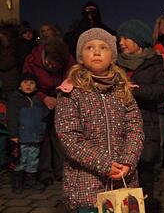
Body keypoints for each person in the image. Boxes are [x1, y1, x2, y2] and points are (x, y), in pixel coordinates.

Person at [55, 28, 145, 212]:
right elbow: (69, 137)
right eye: (89, 47)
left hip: (123, 181)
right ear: (80, 55)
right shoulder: (71, 92)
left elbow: (135, 129)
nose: (96, 52)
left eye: (103, 47)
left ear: (112, 55)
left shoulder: (123, 90)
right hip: (86, 184)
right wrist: (104, 164)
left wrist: (127, 161)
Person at [116, 19, 164, 211]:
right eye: (120, 38)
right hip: (120, 125)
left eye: (126, 38)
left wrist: (137, 90)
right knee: (122, 173)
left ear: (138, 40)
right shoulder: (116, 63)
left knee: (145, 173)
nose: (121, 42)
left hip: (146, 123)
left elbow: (163, 91)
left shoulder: (153, 63)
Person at [23, 38, 75, 185]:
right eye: (50, 63)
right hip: (39, 99)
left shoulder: (68, 60)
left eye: (56, 65)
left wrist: (61, 96)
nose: (52, 67)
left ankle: (62, 172)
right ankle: (45, 173)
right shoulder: (32, 60)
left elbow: (71, 79)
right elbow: (27, 84)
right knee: (43, 138)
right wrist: (44, 97)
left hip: (61, 98)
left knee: (60, 136)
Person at [7, 72, 47, 193]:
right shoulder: (15, 99)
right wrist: (14, 135)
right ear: (20, 85)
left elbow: (43, 116)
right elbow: (12, 118)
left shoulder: (37, 100)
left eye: (31, 83)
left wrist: (42, 129)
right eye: (25, 83)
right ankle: (18, 183)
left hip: (35, 137)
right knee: (20, 160)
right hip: (21, 137)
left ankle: (31, 181)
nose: (28, 85)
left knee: (33, 159)